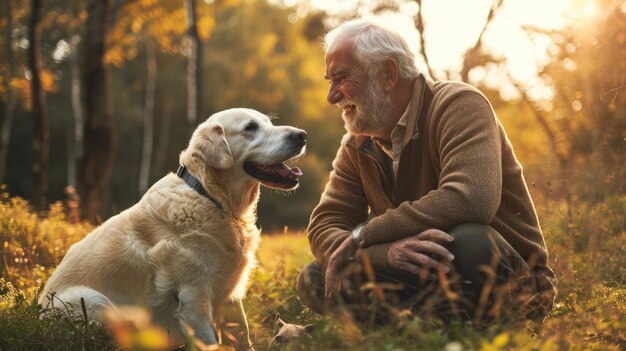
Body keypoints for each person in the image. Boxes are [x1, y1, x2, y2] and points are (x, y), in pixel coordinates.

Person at [296, 17, 556, 326]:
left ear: (388, 74)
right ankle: (425, 329)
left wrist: (363, 235)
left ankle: (490, 324)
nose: (332, 96)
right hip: (422, 277)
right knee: (313, 277)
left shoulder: (459, 105)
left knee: (469, 240)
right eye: (330, 81)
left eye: (340, 78)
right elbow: (325, 225)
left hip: (496, 271)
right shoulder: (356, 145)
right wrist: (384, 253)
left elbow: (471, 200)